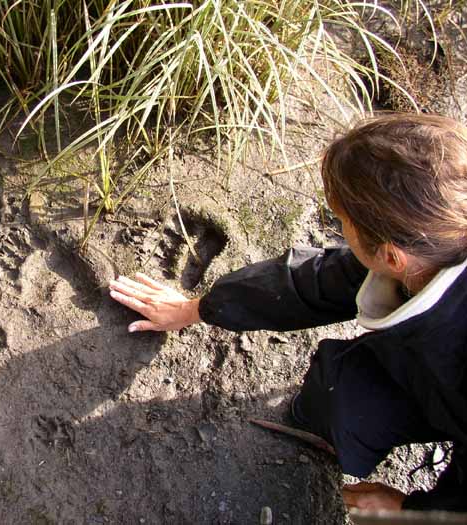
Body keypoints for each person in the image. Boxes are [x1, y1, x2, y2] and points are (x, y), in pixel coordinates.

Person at [108, 113, 467, 512]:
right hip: (434, 374)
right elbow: (311, 282)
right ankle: (331, 432)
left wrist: (413, 513)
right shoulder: (436, 239)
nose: (339, 228)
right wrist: (199, 308)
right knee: (339, 398)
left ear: (392, 256)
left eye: (342, 221)